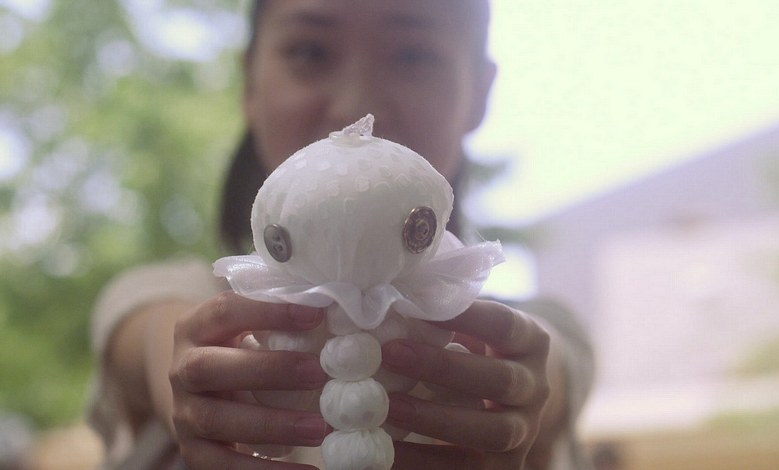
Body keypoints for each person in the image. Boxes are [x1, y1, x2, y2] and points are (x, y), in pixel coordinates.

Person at [87, 1, 595, 469]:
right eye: (310, 52)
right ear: (250, 82)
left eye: (414, 56)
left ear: (480, 93)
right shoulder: (167, 295)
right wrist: (197, 368)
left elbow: (551, 363)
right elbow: (156, 336)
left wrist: (519, 380)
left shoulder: (536, 327)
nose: (357, 109)